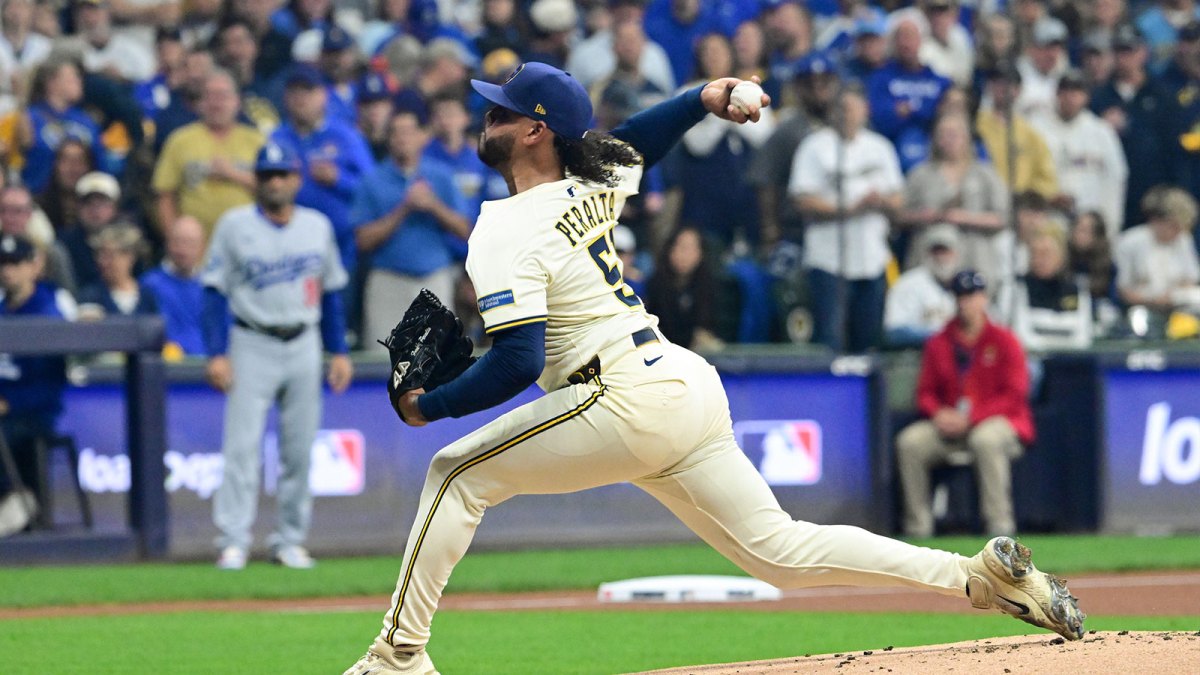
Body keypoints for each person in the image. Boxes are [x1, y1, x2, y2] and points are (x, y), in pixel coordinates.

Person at [342, 62, 1083, 675]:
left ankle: (397, 655)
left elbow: (518, 359)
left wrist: (425, 406)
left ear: (536, 130)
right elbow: (636, 141)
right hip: (680, 382)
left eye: (501, 112)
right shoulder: (592, 182)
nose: (486, 119)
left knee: (453, 473)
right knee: (784, 552)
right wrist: (705, 95)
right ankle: (975, 576)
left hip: (618, 394)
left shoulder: (504, 226)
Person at [200, 141, 353, 571]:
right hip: (252, 340)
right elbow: (213, 292)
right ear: (257, 180)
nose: (275, 182)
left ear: (296, 179)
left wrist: (338, 350)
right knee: (241, 448)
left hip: (304, 339)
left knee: (300, 449)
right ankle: (233, 540)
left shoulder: (316, 226)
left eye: (282, 174)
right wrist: (216, 352)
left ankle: (289, 540)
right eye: (267, 175)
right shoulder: (234, 225)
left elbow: (333, 292)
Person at [895, 270, 1034, 539]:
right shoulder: (939, 342)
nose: (965, 303)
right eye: (960, 297)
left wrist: (972, 418)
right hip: (950, 425)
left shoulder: (1004, 340)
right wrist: (937, 414)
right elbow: (924, 392)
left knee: (985, 440)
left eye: (971, 296)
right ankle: (918, 529)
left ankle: (999, 528)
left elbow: (1015, 394)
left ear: (983, 299)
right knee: (910, 442)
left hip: (999, 422)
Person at [790, 85, 903, 353]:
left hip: (872, 257)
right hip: (829, 259)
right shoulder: (815, 146)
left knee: (869, 339)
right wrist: (849, 209)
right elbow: (802, 199)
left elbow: (898, 199)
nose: (848, 115)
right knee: (831, 339)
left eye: (853, 109)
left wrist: (881, 202)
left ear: (865, 110)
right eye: (842, 109)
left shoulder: (880, 147)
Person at [352, 111, 469, 353]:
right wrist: (404, 208)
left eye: (408, 132)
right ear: (388, 139)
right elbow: (362, 241)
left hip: (434, 279)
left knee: (439, 362)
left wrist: (433, 205)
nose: (402, 138)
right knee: (382, 362)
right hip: (387, 280)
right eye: (395, 132)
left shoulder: (441, 175)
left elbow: (465, 230)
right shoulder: (373, 179)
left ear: (422, 136)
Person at [0, 233, 73, 536]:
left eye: (16, 263)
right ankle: (15, 499)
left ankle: (16, 499)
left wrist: (10, 403)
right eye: (3, 264)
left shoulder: (49, 307)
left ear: (34, 265)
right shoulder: (3, 309)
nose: (8, 271)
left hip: (35, 411)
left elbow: (50, 383)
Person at [152, 69, 265, 238]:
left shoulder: (258, 141)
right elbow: (164, 195)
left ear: (237, 101)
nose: (216, 103)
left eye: (223, 96)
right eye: (210, 96)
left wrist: (232, 174)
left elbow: (274, 191)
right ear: (200, 103)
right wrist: (174, 239)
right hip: (195, 249)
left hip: (247, 243)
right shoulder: (180, 140)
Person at [900, 112, 1009, 281]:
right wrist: (927, 215)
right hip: (928, 255)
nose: (949, 140)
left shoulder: (985, 174)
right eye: (943, 134)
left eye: (954, 134)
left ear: (967, 137)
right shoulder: (920, 174)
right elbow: (899, 215)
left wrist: (965, 217)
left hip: (975, 256)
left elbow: (1003, 217)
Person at [1030, 69, 1128, 238]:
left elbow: (1116, 178)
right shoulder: (1036, 128)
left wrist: (1110, 226)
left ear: (1086, 96)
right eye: (1065, 92)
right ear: (1057, 94)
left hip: (1090, 224)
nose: (1070, 98)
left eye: (1076, 92)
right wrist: (1047, 196)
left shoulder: (1101, 132)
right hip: (1048, 220)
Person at [1000, 218, 1094, 351]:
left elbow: (1082, 338)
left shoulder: (1077, 289)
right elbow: (1020, 338)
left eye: (1046, 253)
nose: (1040, 260)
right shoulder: (1016, 288)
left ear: (1061, 255)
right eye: (1035, 253)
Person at [1114, 186, 1200, 329]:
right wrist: (1154, 301)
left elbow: (1191, 279)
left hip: (1179, 313)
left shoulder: (1183, 240)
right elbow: (1123, 290)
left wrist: (1174, 295)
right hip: (1141, 313)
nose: (1177, 233)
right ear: (1157, 221)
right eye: (1173, 227)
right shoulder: (1129, 242)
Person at [645, 225, 723, 351]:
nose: (685, 254)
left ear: (701, 253)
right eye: (681, 247)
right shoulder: (655, 283)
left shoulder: (709, 284)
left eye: (691, 248)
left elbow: (709, 327)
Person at [883, 224, 960, 348]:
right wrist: (941, 336)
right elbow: (893, 331)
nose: (941, 257)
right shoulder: (908, 283)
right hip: (916, 355)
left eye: (945, 251)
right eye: (936, 251)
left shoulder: (966, 286)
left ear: (956, 253)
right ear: (927, 254)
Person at [140, 215, 206, 356]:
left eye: (190, 243)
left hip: (209, 366)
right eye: (177, 242)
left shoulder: (211, 288)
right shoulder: (150, 284)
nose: (183, 250)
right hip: (166, 367)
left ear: (202, 247)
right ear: (167, 243)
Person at [76, 223, 158, 319]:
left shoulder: (148, 295)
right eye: (99, 255)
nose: (102, 262)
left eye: (109, 256)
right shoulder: (90, 296)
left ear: (129, 257)